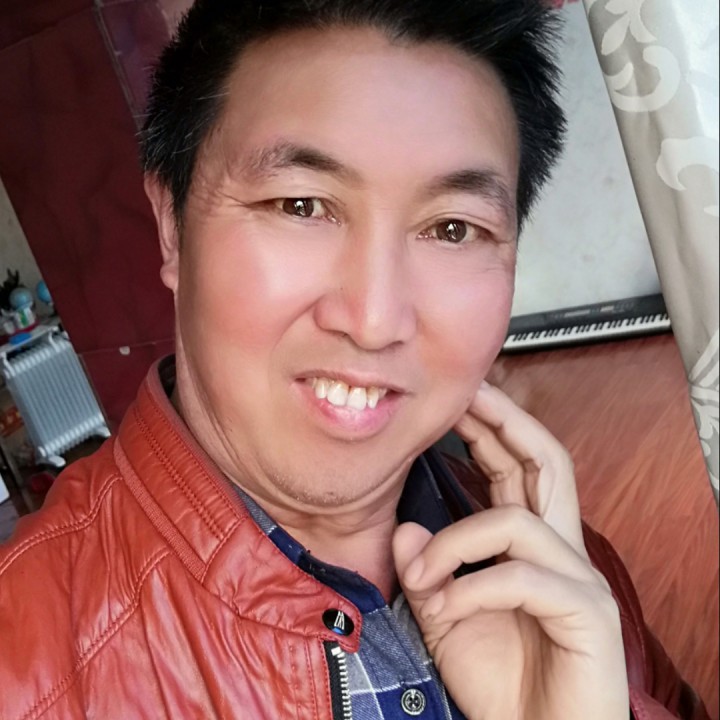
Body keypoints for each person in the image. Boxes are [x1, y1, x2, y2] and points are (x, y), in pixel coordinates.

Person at [0, 1, 710, 718]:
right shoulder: (27, 671)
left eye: (452, 228)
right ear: (171, 228)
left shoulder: (562, 569)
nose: (373, 321)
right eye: (301, 206)